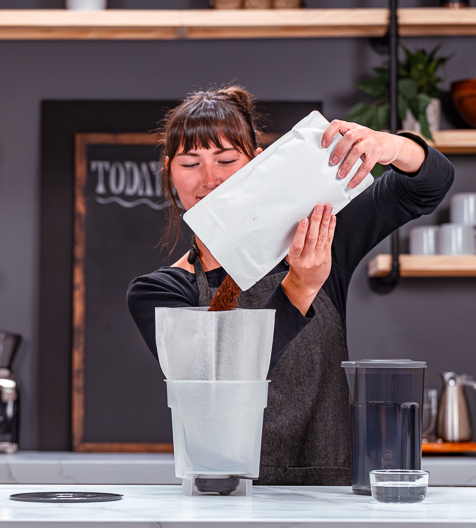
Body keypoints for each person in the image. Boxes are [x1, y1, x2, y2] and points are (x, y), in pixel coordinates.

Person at [127, 86, 454, 486]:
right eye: (190, 163)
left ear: (256, 164)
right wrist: (298, 288)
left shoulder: (320, 238)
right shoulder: (160, 292)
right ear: (169, 173)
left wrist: (389, 146)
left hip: (333, 497)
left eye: (227, 160)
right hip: (228, 498)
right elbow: (213, 389)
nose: (210, 180)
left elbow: (428, 185)